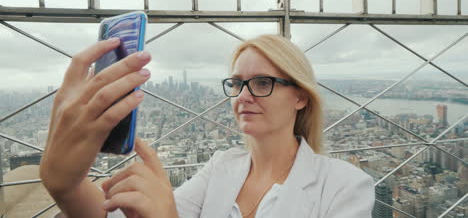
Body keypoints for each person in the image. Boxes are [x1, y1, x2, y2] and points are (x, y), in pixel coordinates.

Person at [40, 34, 375, 218]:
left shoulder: (346, 187)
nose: (243, 96)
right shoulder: (220, 167)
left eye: (261, 83)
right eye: (237, 83)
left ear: (300, 97)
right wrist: (66, 185)